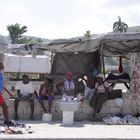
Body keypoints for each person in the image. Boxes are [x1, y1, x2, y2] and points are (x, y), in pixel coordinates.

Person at [0, 62, 14, 126]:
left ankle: (7, 122)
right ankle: (8, 122)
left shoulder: (1, 74)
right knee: (5, 107)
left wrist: (8, 93)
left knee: (4, 107)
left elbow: (2, 85)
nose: (3, 66)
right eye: (2, 65)